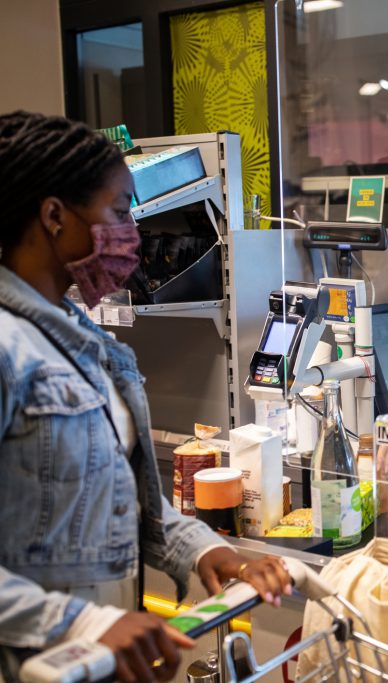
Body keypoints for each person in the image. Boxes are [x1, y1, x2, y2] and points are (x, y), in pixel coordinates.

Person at [0, 112, 291, 682]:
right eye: (117, 210)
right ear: (54, 216)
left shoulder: (80, 341)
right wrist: (77, 623)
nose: (132, 231)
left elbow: (120, 502)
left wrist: (208, 552)